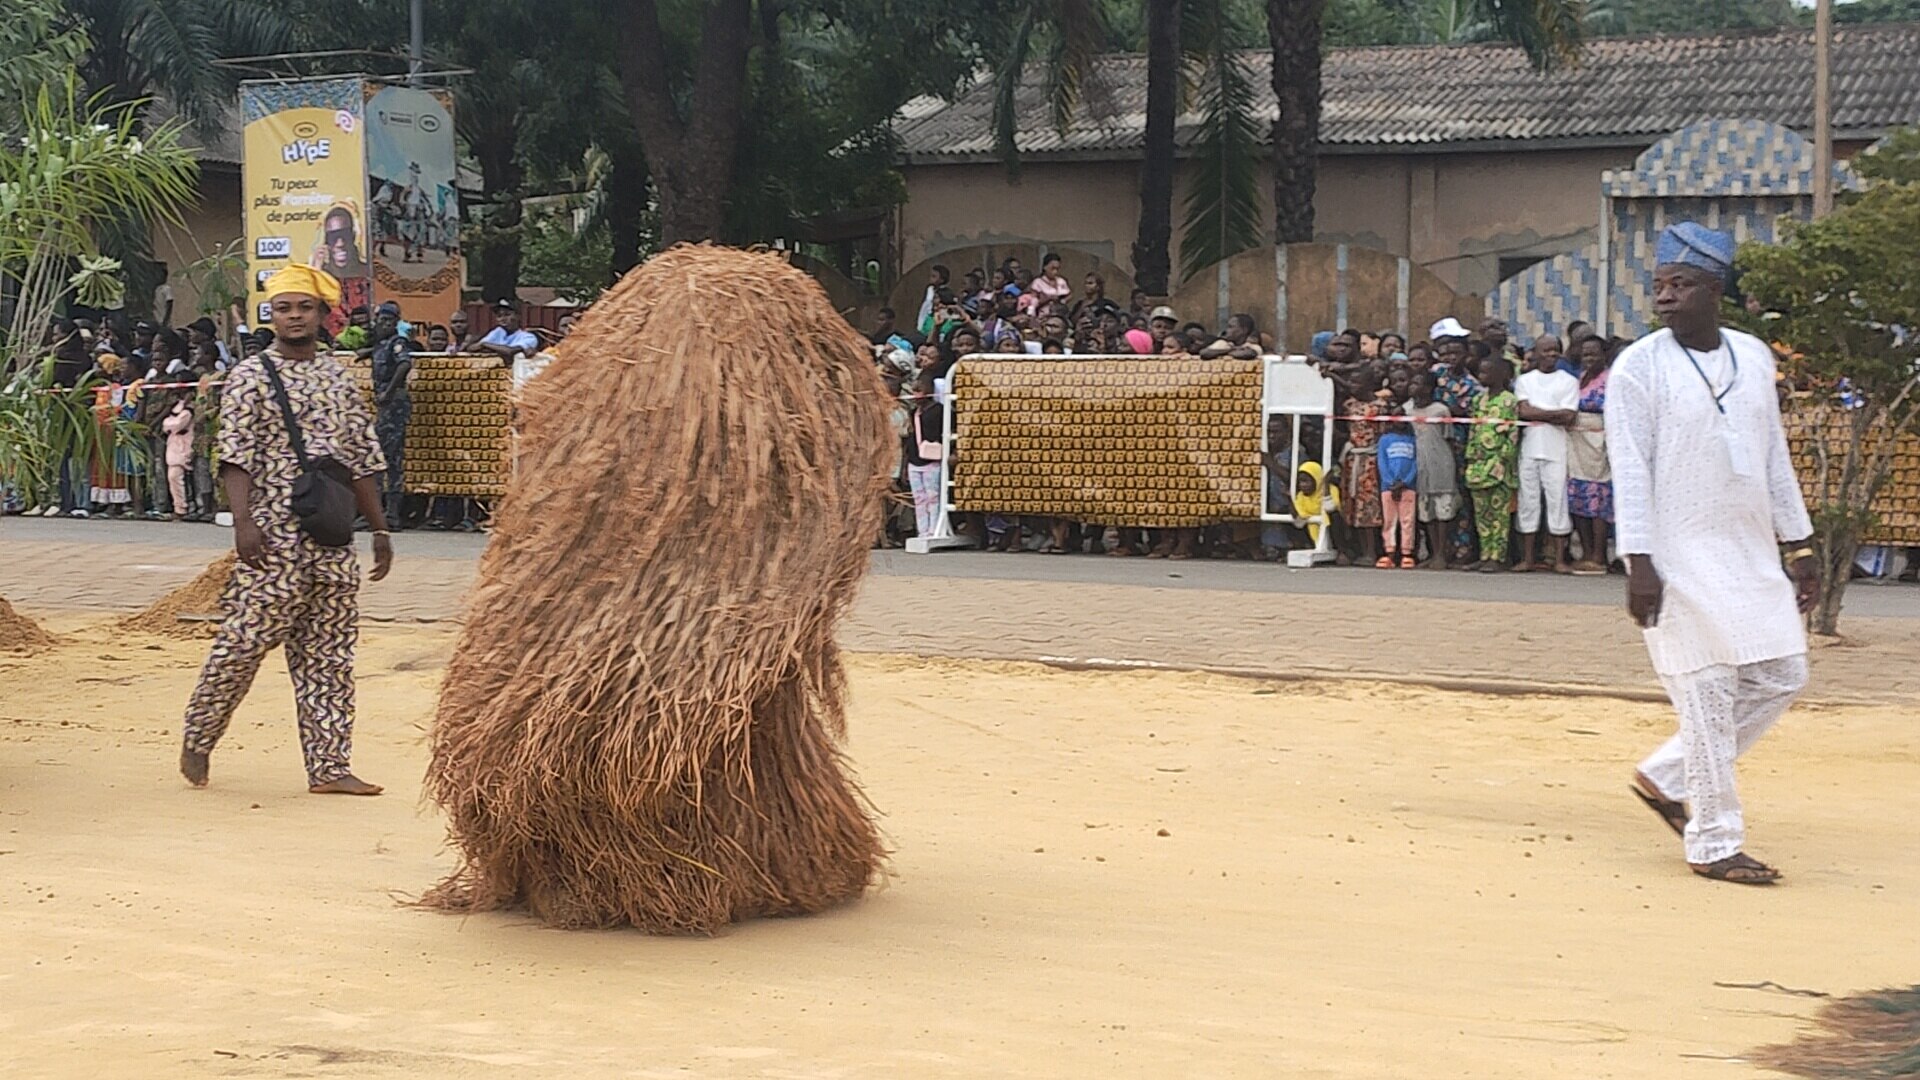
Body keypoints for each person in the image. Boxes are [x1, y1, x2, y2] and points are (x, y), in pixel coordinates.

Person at [1607, 222, 1819, 885]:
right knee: (1707, 689)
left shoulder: (1754, 356)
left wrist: (1801, 543)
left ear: (1715, 291)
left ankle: (1667, 776)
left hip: (1747, 550)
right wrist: (1639, 561)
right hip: (1673, 553)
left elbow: (1773, 454)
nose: (1666, 297)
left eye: (1682, 285)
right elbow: (1630, 468)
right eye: (1660, 285)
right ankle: (1714, 842)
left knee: (1782, 673)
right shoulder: (1638, 366)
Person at [179, 264, 393, 796]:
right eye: (283, 309)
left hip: (331, 538)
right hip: (272, 541)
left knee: (330, 655)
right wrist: (243, 523)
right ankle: (199, 736)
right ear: (271, 316)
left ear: (324, 314)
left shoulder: (339, 376)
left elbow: (362, 459)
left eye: (304, 308)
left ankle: (330, 768)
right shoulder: (251, 377)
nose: (294, 317)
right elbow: (235, 457)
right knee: (244, 644)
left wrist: (381, 530)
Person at [1514, 334, 1579, 573]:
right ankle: (1528, 558)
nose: (1551, 355)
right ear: (1537, 352)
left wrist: (1538, 414)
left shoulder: (1568, 381)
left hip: (1557, 450)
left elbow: (1569, 416)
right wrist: (1554, 415)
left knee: (1558, 501)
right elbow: (1524, 411)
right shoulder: (1525, 380)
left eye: (1555, 350)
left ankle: (1559, 559)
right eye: (1547, 350)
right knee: (1528, 501)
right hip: (1530, 449)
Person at [1464, 356, 1519, 572]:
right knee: (1481, 514)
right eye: (1480, 372)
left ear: (1500, 375)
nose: (1481, 376)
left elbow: (1512, 433)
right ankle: (1484, 553)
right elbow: (1474, 429)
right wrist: (1471, 457)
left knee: (1500, 515)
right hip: (1478, 464)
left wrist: (1504, 459)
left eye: (1486, 372)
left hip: (1499, 465)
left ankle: (1497, 556)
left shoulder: (1509, 400)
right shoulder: (1479, 400)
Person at [1567, 334, 1614, 574]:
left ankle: (1598, 554)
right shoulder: (1580, 377)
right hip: (1577, 444)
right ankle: (1585, 552)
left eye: (1594, 354)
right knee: (1578, 496)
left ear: (1604, 355)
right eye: (1585, 354)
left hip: (1598, 443)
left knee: (1598, 499)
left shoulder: (1610, 380)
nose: (1589, 359)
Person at [1406, 372, 1459, 569]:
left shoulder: (1440, 411)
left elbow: (1449, 438)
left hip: (1440, 465)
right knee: (1426, 513)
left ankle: (1441, 554)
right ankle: (1432, 551)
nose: (1412, 386)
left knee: (1443, 512)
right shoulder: (1407, 410)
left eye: (1416, 382)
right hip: (1419, 467)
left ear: (1428, 388)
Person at [370, 301, 414, 530]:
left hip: (394, 404)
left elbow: (404, 364)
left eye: (389, 321)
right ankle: (378, 512)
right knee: (379, 458)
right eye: (381, 320)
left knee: (390, 459)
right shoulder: (381, 344)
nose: (384, 324)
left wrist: (388, 392)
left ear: (396, 323)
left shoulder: (398, 343)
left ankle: (392, 514)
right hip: (385, 406)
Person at [903, 367, 945, 539]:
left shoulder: (939, 410)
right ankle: (922, 531)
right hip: (914, 460)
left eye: (920, 390)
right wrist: (906, 464)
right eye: (914, 390)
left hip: (932, 459)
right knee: (919, 498)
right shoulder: (914, 412)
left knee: (932, 496)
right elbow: (910, 439)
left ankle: (934, 530)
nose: (915, 394)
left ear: (930, 390)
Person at [1376, 418, 1418, 568]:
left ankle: (1407, 553)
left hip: (1408, 486)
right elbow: (1382, 462)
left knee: (1407, 520)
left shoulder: (1412, 440)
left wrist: (1405, 482)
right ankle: (1390, 552)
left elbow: (1415, 463)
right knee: (1389, 520)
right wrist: (1390, 482)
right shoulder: (1385, 440)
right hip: (1388, 487)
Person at [161, 392, 195, 522]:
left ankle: (182, 508)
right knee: (173, 478)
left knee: (176, 476)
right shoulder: (178, 406)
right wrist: (170, 425)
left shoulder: (189, 409)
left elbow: (176, 424)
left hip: (184, 445)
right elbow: (167, 424)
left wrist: (170, 425)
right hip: (173, 445)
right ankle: (179, 507)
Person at [477, 299, 539, 365]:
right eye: (499, 316)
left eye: (507, 314)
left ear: (518, 316)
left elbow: (509, 351)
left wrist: (484, 344)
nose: (503, 319)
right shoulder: (497, 332)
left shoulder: (528, 337)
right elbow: (473, 348)